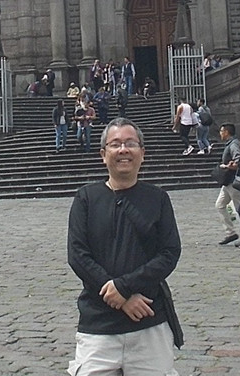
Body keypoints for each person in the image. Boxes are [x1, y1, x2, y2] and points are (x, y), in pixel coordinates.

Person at [66, 118, 182, 375]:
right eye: (115, 144)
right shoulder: (86, 198)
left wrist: (124, 287)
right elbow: (78, 255)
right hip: (98, 323)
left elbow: (169, 252)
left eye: (130, 144)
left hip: (148, 319)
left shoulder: (158, 198)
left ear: (142, 153)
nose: (123, 150)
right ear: (103, 154)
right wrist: (121, 297)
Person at [214, 123, 240, 245]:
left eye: (221, 131)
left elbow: (238, 159)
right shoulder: (230, 144)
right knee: (220, 205)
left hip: (233, 182)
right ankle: (230, 232)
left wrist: (227, 166)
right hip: (227, 182)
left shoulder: (234, 144)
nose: (220, 133)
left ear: (226, 132)